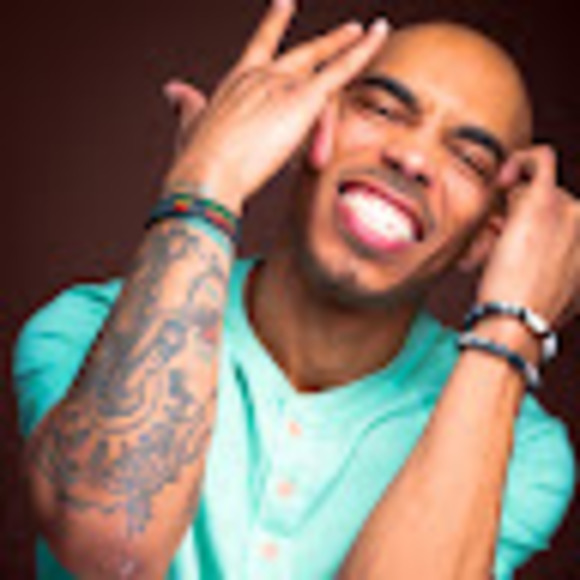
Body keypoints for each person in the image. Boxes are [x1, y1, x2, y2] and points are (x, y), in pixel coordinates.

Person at [13, 0, 578, 578]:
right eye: (382, 109)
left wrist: (510, 330)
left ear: (487, 239)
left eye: (468, 159)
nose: (412, 158)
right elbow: (112, 551)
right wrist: (206, 183)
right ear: (303, 125)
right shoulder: (84, 329)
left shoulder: (520, 452)